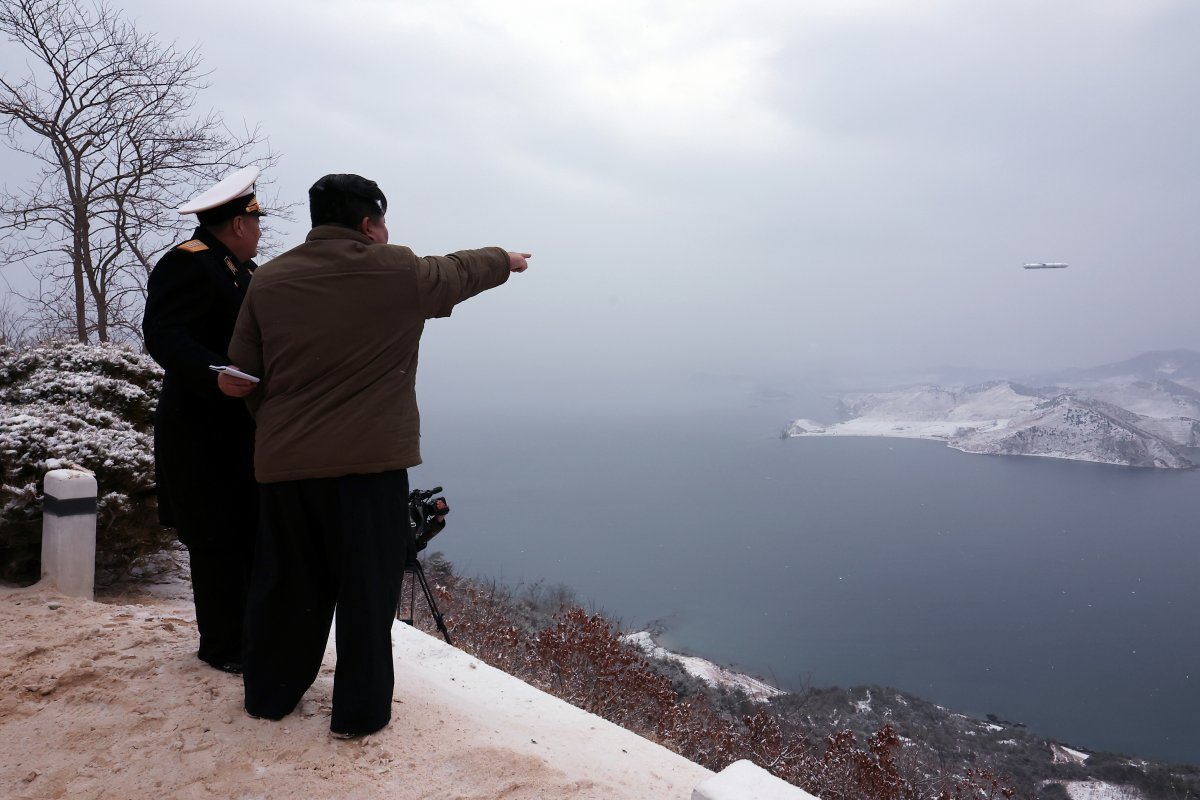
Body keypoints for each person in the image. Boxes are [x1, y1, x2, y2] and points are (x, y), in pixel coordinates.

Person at [220, 173, 529, 738]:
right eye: (383, 222)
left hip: (287, 468)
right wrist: (504, 260)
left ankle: (269, 697)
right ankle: (358, 715)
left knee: (287, 586)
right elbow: (459, 270)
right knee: (366, 593)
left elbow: (243, 375)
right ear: (368, 224)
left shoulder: (269, 282)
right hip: (370, 471)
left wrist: (280, 430)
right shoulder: (399, 271)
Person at [142, 166, 265, 674]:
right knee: (216, 538)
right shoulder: (186, 264)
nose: (260, 232)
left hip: (243, 429)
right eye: (256, 223)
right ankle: (222, 648)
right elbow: (163, 334)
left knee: (247, 533)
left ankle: (249, 637)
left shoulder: (245, 272)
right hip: (199, 429)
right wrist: (211, 376)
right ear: (237, 225)